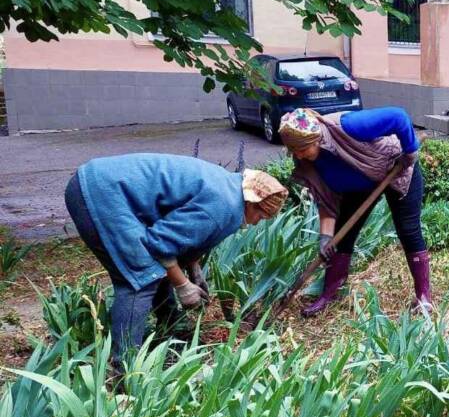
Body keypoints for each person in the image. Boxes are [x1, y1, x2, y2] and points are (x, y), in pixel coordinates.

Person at [64, 154, 288, 370]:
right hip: (100, 194)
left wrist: (194, 269)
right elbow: (159, 244)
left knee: (155, 270)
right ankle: (125, 367)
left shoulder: (229, 187)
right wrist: (183, 286)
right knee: (140, 279)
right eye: (262, 216)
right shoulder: (224, 208)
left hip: (101, 183)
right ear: (252, 203)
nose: (258, 223)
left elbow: (183, 235)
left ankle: (171, 329)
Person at [278, 107, 429, 316]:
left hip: (396, 169)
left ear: (316, 139)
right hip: (360, 183)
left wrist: (410, 151)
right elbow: (326, 199)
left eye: (301, 149)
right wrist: (325, 237)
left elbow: (399, 117)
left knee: (408, 229)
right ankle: (330, 294)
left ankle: (423, 297)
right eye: (293, 151)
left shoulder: (348, 126)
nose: (298, 155)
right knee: (342, 236)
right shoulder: (305, 160)